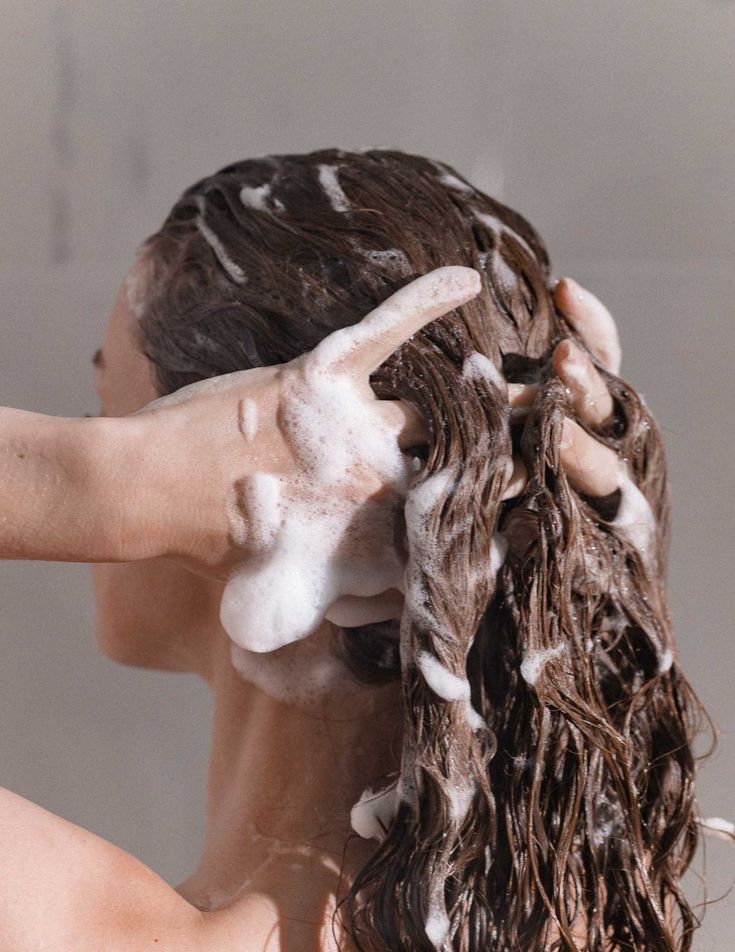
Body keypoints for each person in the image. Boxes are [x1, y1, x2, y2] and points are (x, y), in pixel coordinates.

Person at [0, 148, 699, 951]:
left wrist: (89, 485)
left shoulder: (55, 924)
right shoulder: (602, 925)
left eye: (108, 415)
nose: (94, 440)